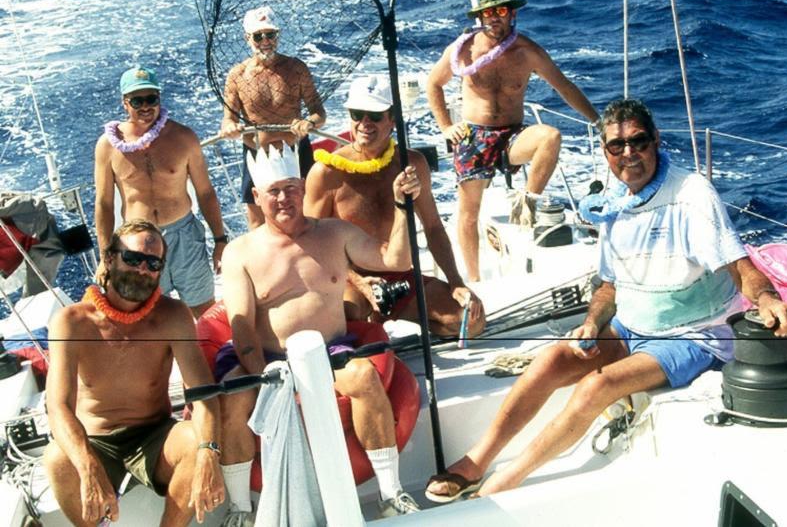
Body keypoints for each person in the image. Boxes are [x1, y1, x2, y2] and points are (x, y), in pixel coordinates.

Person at [424, 98, 787, 501]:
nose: (628, 154)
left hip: (694, 336)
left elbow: (737, 264)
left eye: (638, 141)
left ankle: (505, 482)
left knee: (594, 387)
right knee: (551, 359)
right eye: (616, 146)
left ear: (655, 140)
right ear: (604, 152)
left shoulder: (691, 193)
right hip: (629, 327)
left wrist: (765, 298)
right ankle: (476, 462)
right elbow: (608, 287)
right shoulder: (615, 203)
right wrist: (592, 321)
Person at [217, 144, 422, 521]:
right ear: (257, 196)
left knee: (364, 376)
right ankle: (240, 508)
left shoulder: (336, 233)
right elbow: (242, 324)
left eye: (291, 188)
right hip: (268, 360)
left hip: (331, 352)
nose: (284, 198)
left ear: (302, 188)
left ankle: (391, 492)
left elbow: (397, 260)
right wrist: (260, 372)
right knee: (232, 399)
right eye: (274, 190)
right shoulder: (240, 252)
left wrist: (402, 207)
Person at [43, 219, 225, 526]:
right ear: (110, 258)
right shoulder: (71, 322)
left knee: (196, 440)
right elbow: (57, 406)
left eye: (153, 263)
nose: (143, 269)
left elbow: (204, 393)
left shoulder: (173, 315)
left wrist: (209, 451)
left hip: (154, 436)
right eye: (132, 258)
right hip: (95, 439)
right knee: (57, 460)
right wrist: (87, 465)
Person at [427, 0, 600, 281]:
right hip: (473, 136)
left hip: (512, 136)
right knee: (469, 213)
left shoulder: (528, 52)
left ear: (513, 13)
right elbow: (434, 84)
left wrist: (599, 121)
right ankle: (474, 280)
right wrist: (446, 126)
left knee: (550, 136)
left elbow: (565, 87)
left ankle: (528, 200)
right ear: (481, 16)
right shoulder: (463, 50)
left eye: (501, 11)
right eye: (489, 12)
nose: (495, 17)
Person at [304, 75, 485, 337]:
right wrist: (359, 283)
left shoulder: (413, 165)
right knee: (347, 323)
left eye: (375, 115)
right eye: (357, 114)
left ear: (392, 119)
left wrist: (456, 282)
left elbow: (433, 227)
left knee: (471, 322)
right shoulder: (327, 172)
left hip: (402, 277)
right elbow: (313, 243)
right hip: (351, 279)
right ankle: (373, 328)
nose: (365, 123)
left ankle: (392, 321)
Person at [95, 66, 226, 318]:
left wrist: (220, 240)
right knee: (150, 315)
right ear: (125, 103)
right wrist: (105, 257)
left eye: (151, 99)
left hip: (184, 235)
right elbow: (104, 204)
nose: (146, 106)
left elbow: (206, 192)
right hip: (136, 245)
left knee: (205, 310)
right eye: (137, 100)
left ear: (159, 98)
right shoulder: (107, 146)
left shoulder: (184, 137)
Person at [218, 5, 327, 230]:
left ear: (278, 35)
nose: (265, 41)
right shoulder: (236, 75)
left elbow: (319, 112)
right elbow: (228, 118)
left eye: (270, 34)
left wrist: (309, 122)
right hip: (258, 155)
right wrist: (230, 127)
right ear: (247, 38)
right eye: (258, 36)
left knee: (311, 215)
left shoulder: (297, 68)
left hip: (296, 151)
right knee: (258, 222)